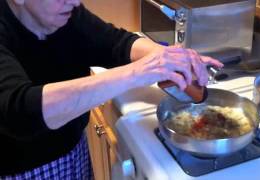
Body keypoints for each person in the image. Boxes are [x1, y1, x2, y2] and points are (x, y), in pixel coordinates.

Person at [0, 0, 223, 179]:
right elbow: (20, 111)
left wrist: (166, 57)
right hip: (21, 170)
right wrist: (137, 72)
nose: (76, 2)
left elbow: (117, 42)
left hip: (73, 152)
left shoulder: (66, 15)